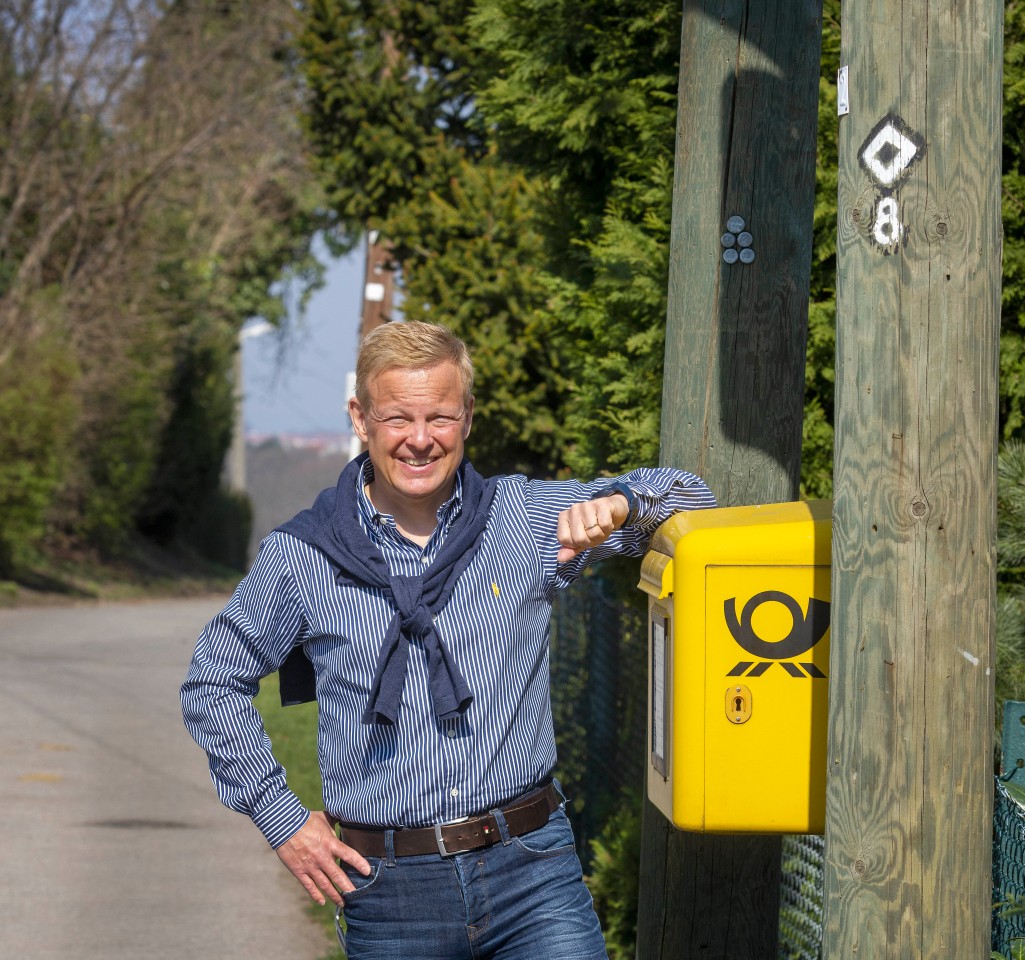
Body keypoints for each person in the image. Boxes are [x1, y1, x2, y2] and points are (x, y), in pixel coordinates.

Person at [181, 321, 715, 960]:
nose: (419, 439)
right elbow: (212, 683)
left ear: (467, 418)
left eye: (440, 416)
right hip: (388, 891)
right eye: (397, 418)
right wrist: (283, 819)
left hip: (532, 871)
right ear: (361, 419)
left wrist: (623, 506)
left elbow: (695, 500)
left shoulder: (521, 520)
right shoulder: (301, 556)